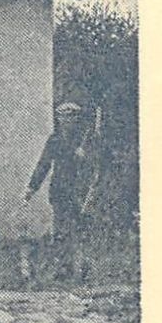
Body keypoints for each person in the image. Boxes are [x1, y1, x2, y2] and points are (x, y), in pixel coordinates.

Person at [26, 101, 95, 280]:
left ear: (77, 120)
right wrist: (32, 187)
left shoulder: (87, 139)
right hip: (60, 190)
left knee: (81, 229)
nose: (67, 121)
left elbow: (97, 165)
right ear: (59, 119)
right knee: (60, 230)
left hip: (81, 190)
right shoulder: (54, 140)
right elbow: (44, 164)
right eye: (64, 117)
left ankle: (85, 267)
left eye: (72, 117)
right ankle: (63, 267)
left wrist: (85, 155)